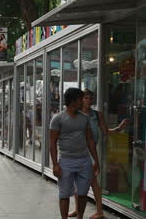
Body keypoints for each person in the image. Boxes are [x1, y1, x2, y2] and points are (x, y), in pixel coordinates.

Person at [68, 89, 128, 219]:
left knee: (93, 182)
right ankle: (78, 209)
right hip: (78, 151)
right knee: (78, 182)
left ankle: (99, 211)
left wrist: (118, 128)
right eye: (86, 98)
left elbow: (105, 131)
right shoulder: (76, 114)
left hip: (90, 151)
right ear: (80, 100)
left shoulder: (97, 115)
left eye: (90, 98)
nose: (88, 101)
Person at [50, 88, 100, 219]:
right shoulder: (58, 119)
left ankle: (80, 217)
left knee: (83, 193)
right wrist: (55, 165)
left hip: (84, 161)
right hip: (66, 161)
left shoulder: (85, 118)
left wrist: (96, 160)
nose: (83, 102)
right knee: (64, 194)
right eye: (80, 99)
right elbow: (52, 143)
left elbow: (90, 140)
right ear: (73, 101)